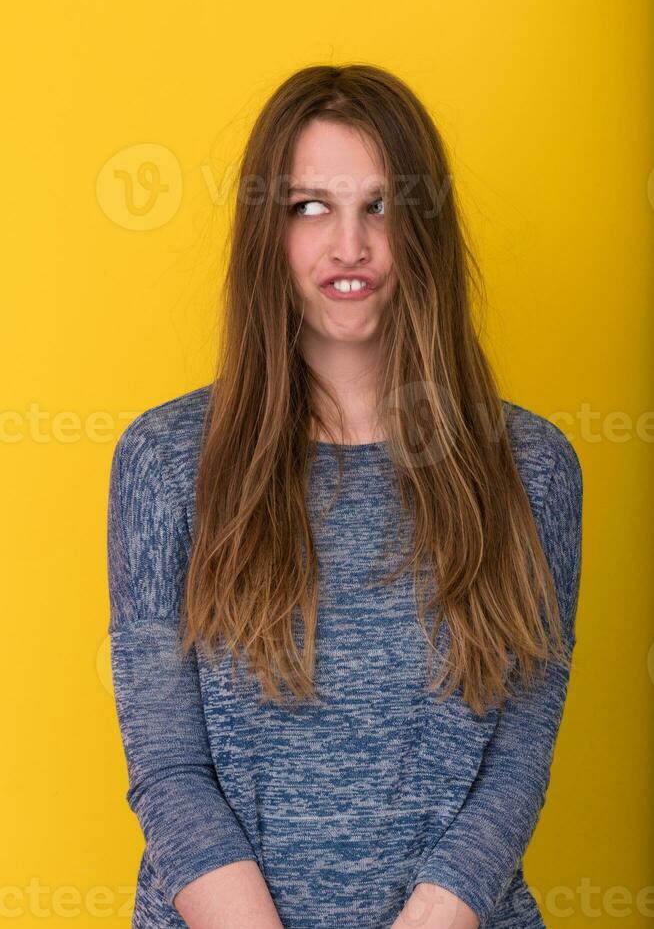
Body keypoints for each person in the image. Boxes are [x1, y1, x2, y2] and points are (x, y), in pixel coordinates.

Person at [106, 63, 583, 929]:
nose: (349, 247)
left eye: (381, 206)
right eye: (310, 207)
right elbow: (169, 770)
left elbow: (517, 762)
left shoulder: (532, 465)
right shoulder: (166, 460)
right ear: (267, 232)